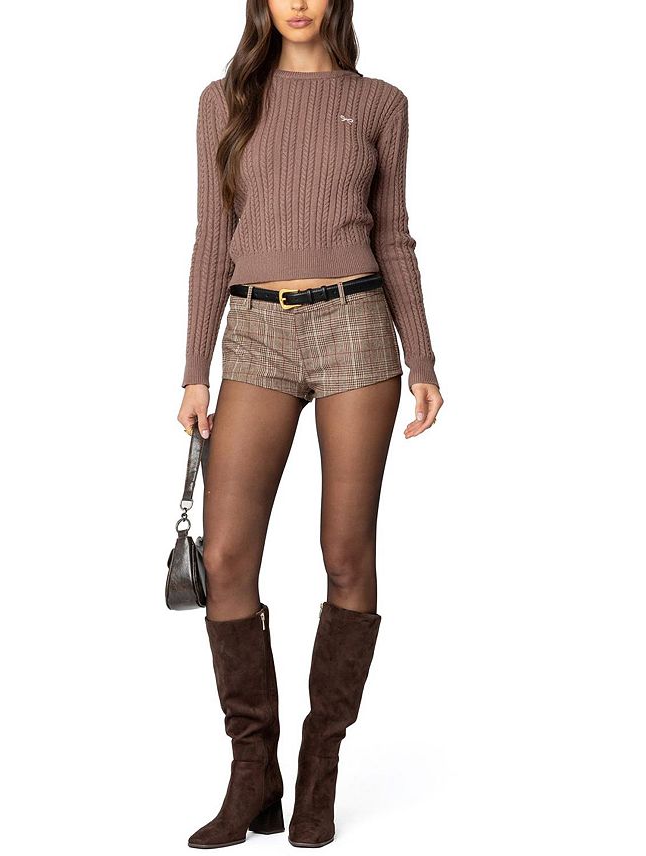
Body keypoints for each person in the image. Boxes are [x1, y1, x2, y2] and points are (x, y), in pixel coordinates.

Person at [176, 0, 443, 848]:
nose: (297, 2)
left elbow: (394, 237)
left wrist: (424, 359)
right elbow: (212, 237)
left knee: (346, 554)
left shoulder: (380, 103)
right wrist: (194, 369)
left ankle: (319, 768)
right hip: (255, 329)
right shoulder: (226, 100)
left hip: (356, 326)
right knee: (225, 557)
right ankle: (253, 771)